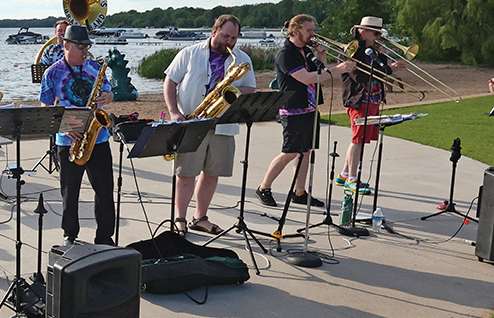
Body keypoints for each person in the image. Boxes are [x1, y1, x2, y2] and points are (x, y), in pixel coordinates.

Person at [163, 14, 256, 235]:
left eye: (234, 38)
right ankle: (180, 219)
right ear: (214, 32)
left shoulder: (242, 59)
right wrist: (174, 112)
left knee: (212, 173)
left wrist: (227, 92)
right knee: (186, 173)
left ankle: (200, 217)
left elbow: (250, 88)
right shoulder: (189, 53)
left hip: (224, 124)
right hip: (192, 121)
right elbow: (170, 81)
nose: (230, 42)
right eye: (225, 36)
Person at [256, 15, 354, 208]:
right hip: (292, 109)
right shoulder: (286, 54)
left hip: (309, 107)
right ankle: (263, 187)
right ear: (295, 31)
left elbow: (321, 74)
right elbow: (306, 77)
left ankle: (299, 192)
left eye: (313, 30)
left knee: (305, 152)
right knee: (290, 152)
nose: (313, 34)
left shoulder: (305, 51)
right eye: (308, 30)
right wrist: (339, 69)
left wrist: (323, 55)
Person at [39, 24, 116, 245]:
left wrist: (106, 98)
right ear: (66, 45)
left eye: (86, 46)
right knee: (69, 192)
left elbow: (110, 92)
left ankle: (105, 237)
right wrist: (64, 127)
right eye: (81, 46)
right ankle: (69, 235)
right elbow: (45, 107)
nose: (85, 50)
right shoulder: (52, 72)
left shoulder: (94, 68)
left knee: (104, 190)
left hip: (97, 137)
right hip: (68, 139)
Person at [337, 16, 406, 194]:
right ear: (362, 31)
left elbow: (381, 72)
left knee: (360, 139)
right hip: (358, 100)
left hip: (373, 100)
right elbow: (361, 77)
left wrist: (384, 58)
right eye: (375, 33)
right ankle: (352, 179)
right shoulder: (351, 51)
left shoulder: (372, 51)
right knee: (357, 139)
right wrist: (389, 69)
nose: (378, 36)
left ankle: (344, 174)